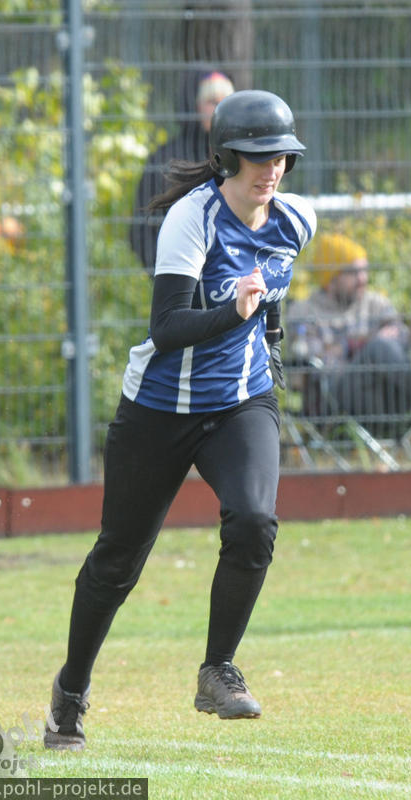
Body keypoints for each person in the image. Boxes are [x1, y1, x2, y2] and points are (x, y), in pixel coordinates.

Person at [44, 89, 317, 751]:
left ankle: (218, 670)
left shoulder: (298, 219)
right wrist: (235, 313)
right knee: (117, 560)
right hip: (159, 409)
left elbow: (271, 292)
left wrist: (268, 336)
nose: (271, 168)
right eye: (256, 155)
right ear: (226, 157)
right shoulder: (192, 219)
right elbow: (167, 328)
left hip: (241, 401)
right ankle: (70, 692)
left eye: (280, 155)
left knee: (254, 521)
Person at [285, 233, 411, 438]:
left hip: (386, 393)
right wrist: (357, 345)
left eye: (364, 270)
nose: (363, 279)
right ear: (330, 280)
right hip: (335, 396)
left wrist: (357, 345)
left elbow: (401, 333)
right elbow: (310, 359)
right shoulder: (303, 312)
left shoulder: (374, 303)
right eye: (353, 272)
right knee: (379, 347)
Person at [130, 69, 235, 276]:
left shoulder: (239, 157)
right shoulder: (164, 160)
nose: (219, 110)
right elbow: (141, 231)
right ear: (193, 105)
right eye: (212, 101)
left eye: (226, 102)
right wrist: (168, 276)